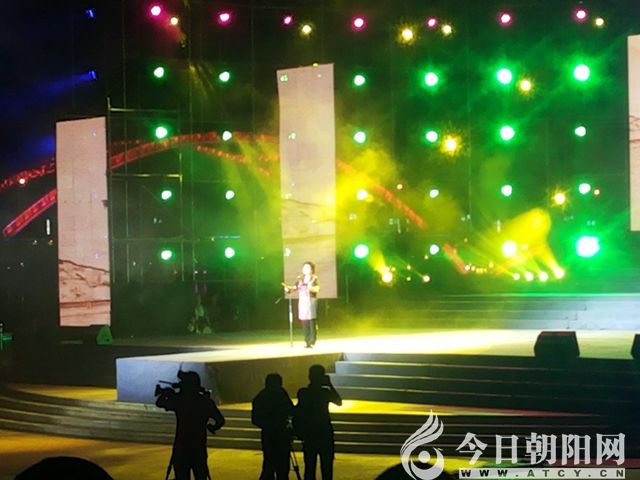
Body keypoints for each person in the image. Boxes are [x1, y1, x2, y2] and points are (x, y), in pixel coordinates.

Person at [155, 370, 225, 480]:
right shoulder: (205, 402)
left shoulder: (180, 400)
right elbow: (220, 421)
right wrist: (211, 427)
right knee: (200, 475)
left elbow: (159, 403)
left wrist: (168, 393)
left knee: (181, 476)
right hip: (199, 447)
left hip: (181, 447)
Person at [294, 365, 342, 480]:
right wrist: (330, 384)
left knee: (310, 467)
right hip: (324, 432)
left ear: (309, 376)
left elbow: (297, 412)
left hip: (309, 433)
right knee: (327, 468)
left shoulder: (303, 392)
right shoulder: (324, 393)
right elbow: (338, 401)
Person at [251, 373, 295, 480]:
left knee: (271, 465)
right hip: (278, 434)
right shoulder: (280, 394)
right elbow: (291, 410)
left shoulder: (262, 396)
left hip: (271, 434)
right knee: (279, 467)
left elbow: (255, 419)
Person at [284, 261, 320, 348]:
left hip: (311, 301)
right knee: (304, 321)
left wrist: (309, 288)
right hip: (303, 302)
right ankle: (307, 341)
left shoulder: (314, 278)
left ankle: (312, 340)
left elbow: (317, 288)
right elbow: (295, 288)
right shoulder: (301, 279)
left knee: (311, 321)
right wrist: (288, 289)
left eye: (307, 267)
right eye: (304, 267)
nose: (305, 269)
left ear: (311, 269)